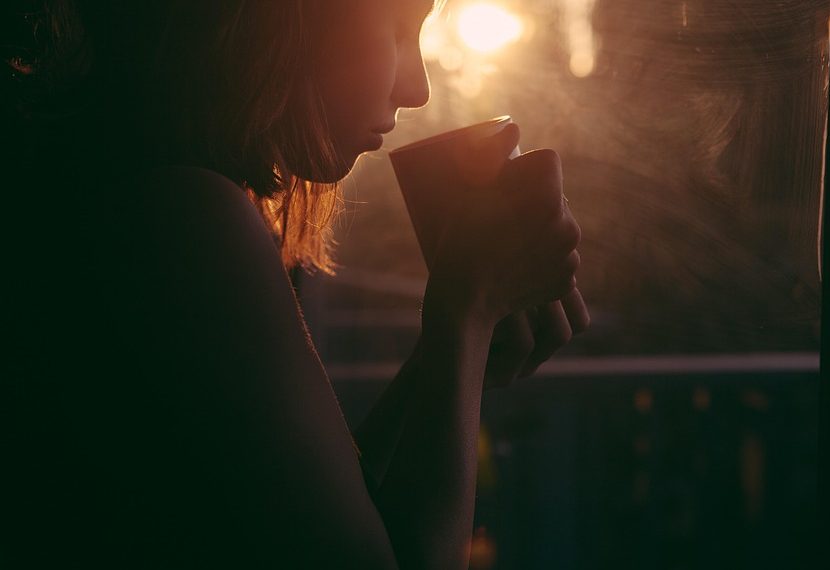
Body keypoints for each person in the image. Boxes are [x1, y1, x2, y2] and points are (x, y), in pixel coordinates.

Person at [2, 1, 588, 567]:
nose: (418, 89)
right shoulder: (180, 215)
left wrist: (448, 361)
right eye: (400, 28)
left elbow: (331, 521)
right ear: (292, 17)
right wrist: (468, 310)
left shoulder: (123, 184)